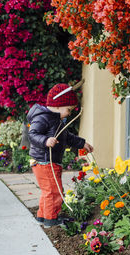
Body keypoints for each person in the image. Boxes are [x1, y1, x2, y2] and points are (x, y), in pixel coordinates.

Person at [27, 83, 93, 228]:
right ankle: (51, 218)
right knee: (54, 191)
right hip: (45, 161)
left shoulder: (56, 120)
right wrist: (45, 140)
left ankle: (43, 216)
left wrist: (82, 143)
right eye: (68, 109)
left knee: (47, 190)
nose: (69, 113)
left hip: (48, 160)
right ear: (58, 106)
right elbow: (32, 134)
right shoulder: (43, 118)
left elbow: (66, 136)